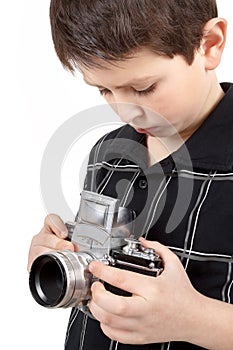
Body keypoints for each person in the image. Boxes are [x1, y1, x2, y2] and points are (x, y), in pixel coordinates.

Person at [28, 1, 233, 349]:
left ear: (209, 45)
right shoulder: (108, 154)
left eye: (144, 89)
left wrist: (194, 319)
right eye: (105, 90)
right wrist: (62, 263)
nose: (124, 111)